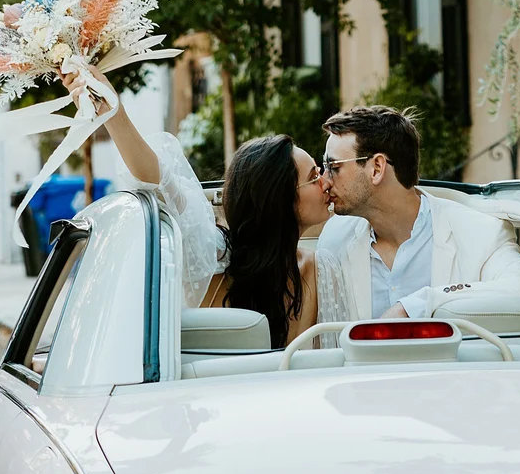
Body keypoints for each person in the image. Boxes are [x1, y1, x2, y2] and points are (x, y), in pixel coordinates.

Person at [61, 65, 336, 348]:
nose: (326, 181)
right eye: (314, 176)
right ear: (278, 199)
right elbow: (159, 182)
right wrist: (112, 110)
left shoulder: (316, 266)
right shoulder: (217, 256)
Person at [317, 103, 520, 319]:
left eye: (334, 168)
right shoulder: (335, 237)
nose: (325, 181)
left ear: (377, 168)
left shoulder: (481, 232)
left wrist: (418, 305)